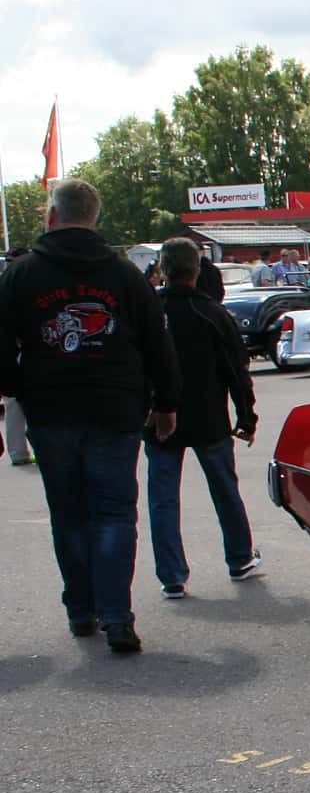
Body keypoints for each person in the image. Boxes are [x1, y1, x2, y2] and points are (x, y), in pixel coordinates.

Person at [0, 178, 181, 653]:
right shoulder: (124, 275)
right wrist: (166, 405)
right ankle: (116, 616)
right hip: (115, 409)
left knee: (69, 513)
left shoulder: (21, 275)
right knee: (115, 513)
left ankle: (82, 610)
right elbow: (159, 345)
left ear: (51, 215)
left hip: (51, 410)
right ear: (95, 217)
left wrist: (18, 390)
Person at [146, 239, 260, 599]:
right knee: (225, 489)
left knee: (163, 498)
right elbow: (236, 370)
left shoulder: (151, 311)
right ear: (196, 270)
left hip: (159, 418)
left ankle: (172, 575)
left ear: (163, 269)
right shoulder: (212, 313)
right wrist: (246, 414)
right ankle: (239, 557)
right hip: (209, 416)